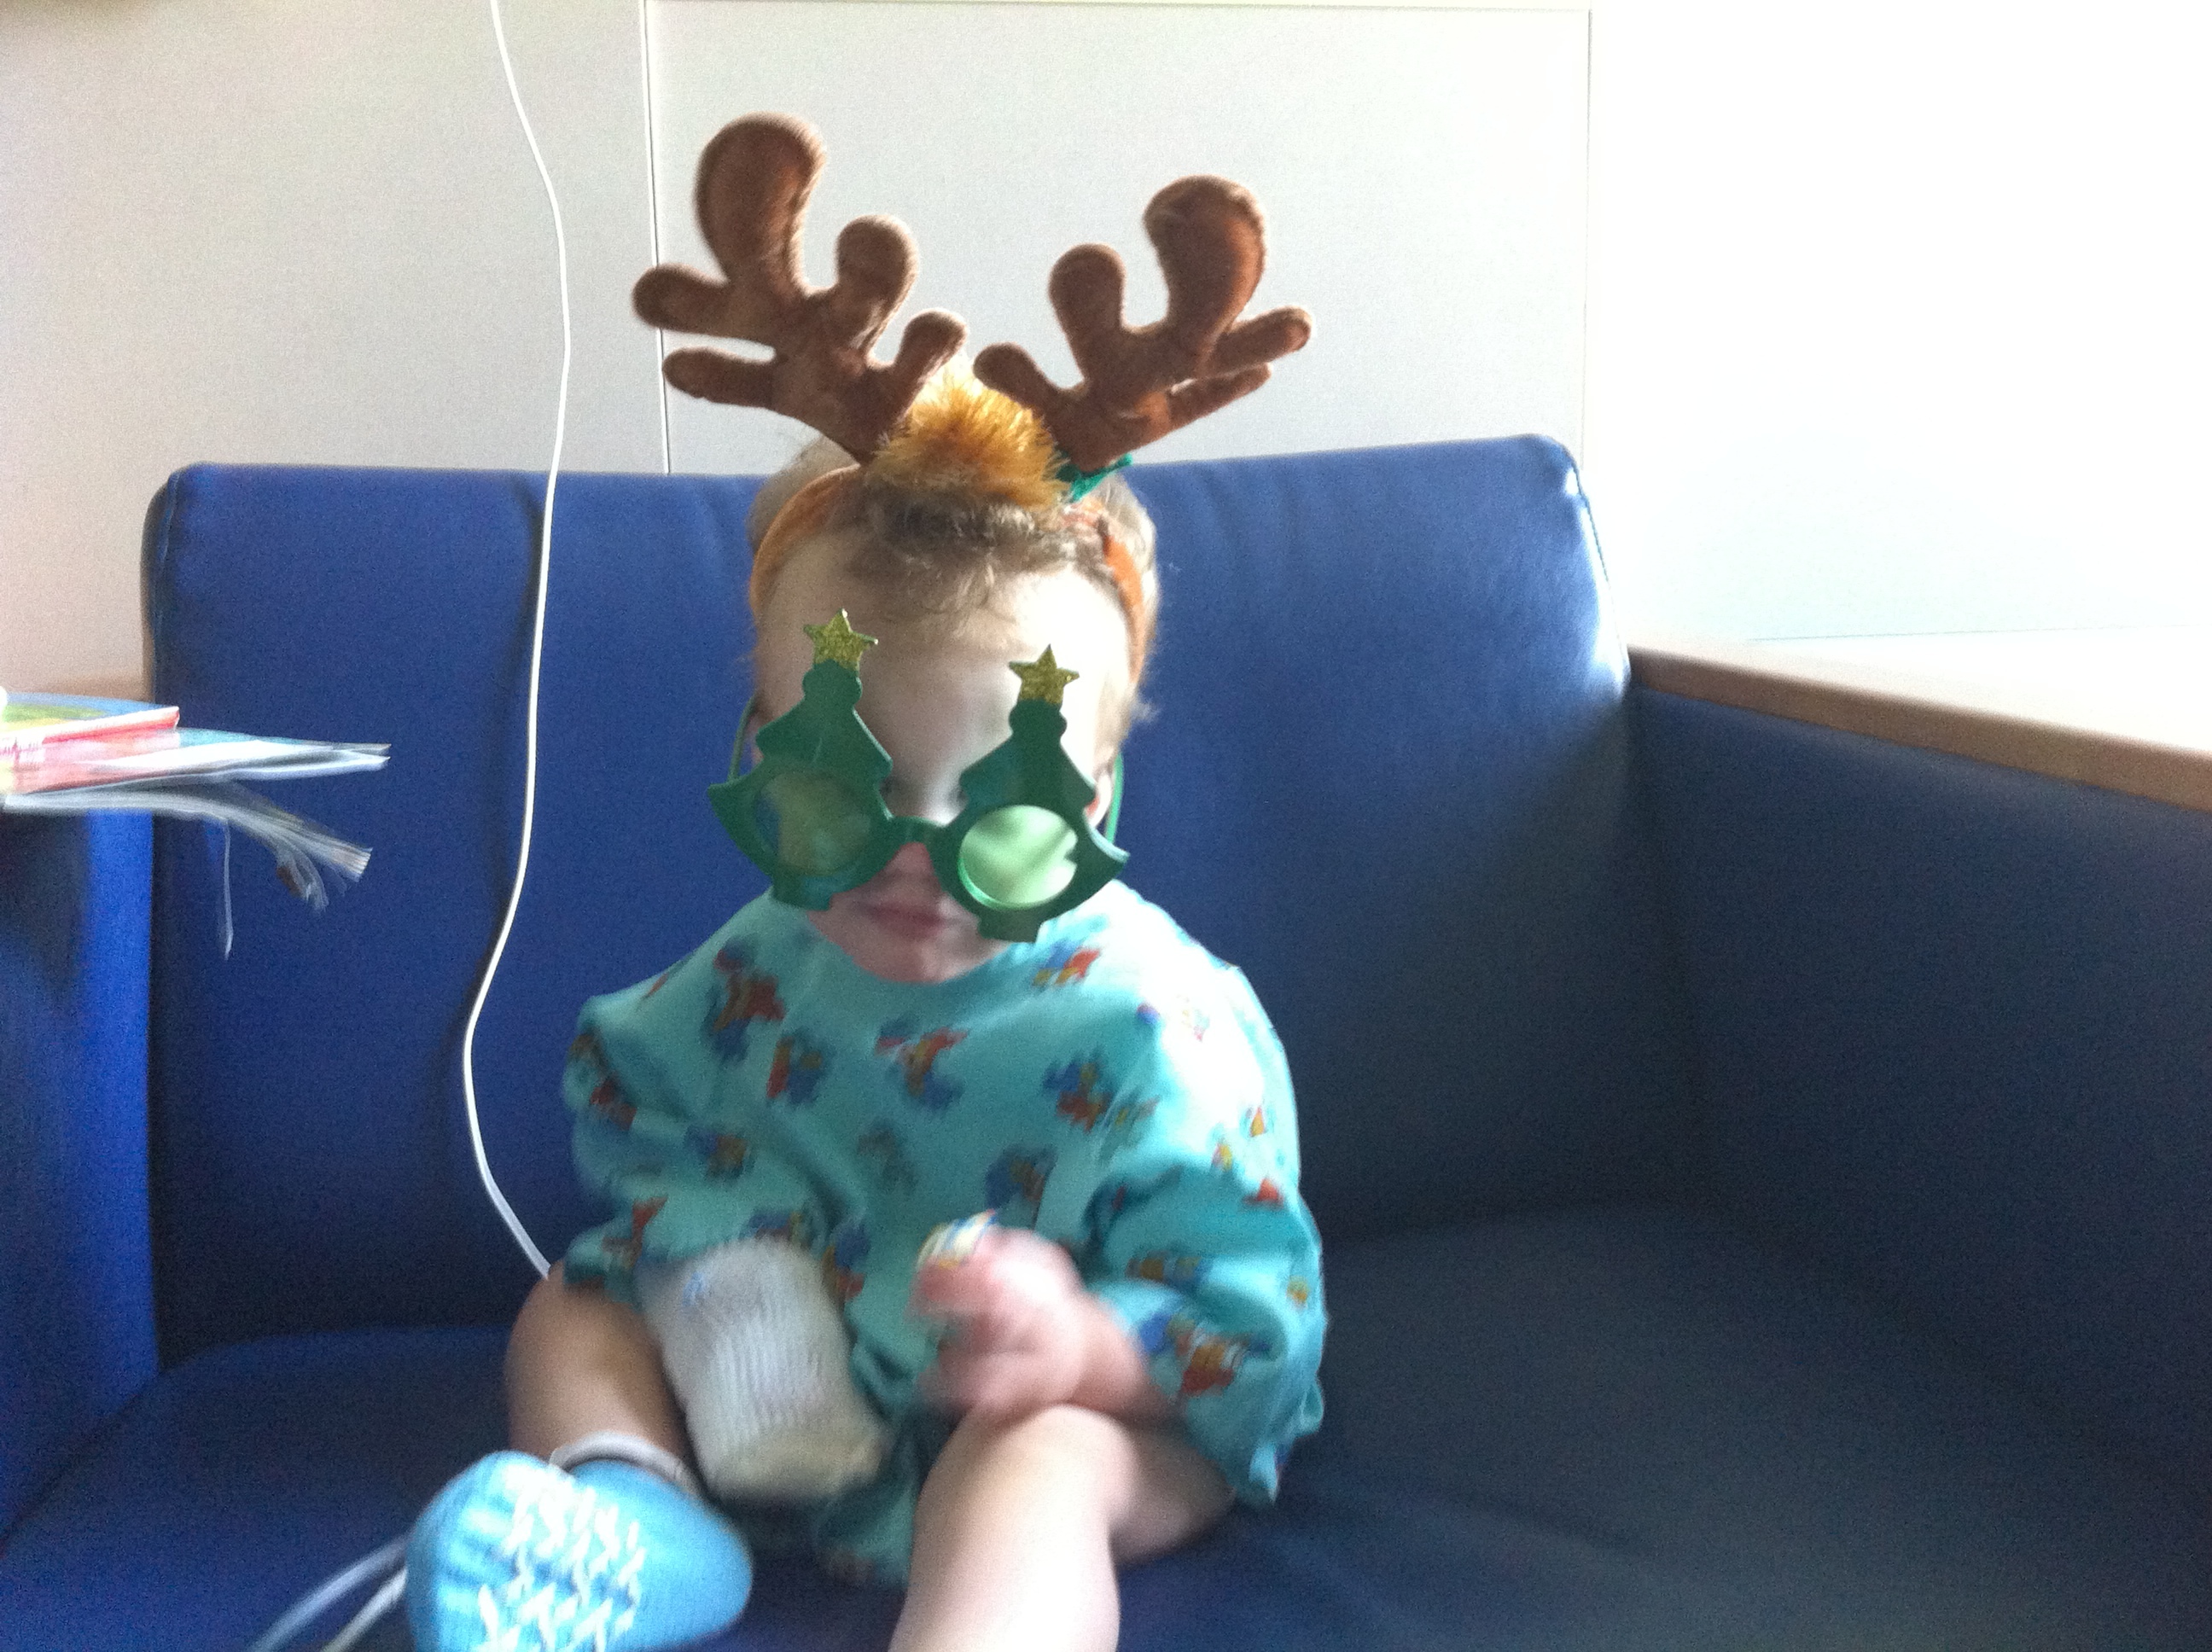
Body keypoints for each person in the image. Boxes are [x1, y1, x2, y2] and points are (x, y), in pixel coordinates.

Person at [405, 113, 1323, 1652]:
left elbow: (1256, 1315)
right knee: (572, 1309)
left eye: (1011, 809)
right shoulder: (757, 971)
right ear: (760, 746)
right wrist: (731, 1276)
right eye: (842, 789)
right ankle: (642, 1518)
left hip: (1078, 1409)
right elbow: (657, 1118)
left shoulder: (1160, 1026)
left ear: (1103, 794)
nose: (915, 856)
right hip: (785, 1393)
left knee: (1034, 1471)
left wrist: (1083, 1344)